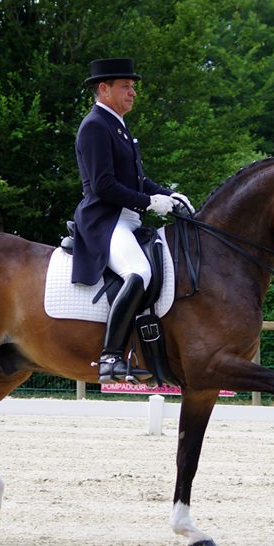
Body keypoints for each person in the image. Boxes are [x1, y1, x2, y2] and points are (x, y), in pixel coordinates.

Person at [71, 57, 193, 382]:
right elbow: (103, 185)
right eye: (126, 87)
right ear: (104, 89)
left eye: (133, 87)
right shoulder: (95, 125)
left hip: (128, 219)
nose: (132, 93)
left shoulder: (119, 126)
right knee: (138, 272)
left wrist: (169, 195)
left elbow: (139, 181)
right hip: (104, 221)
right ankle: (110, 356)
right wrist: (149, 202)